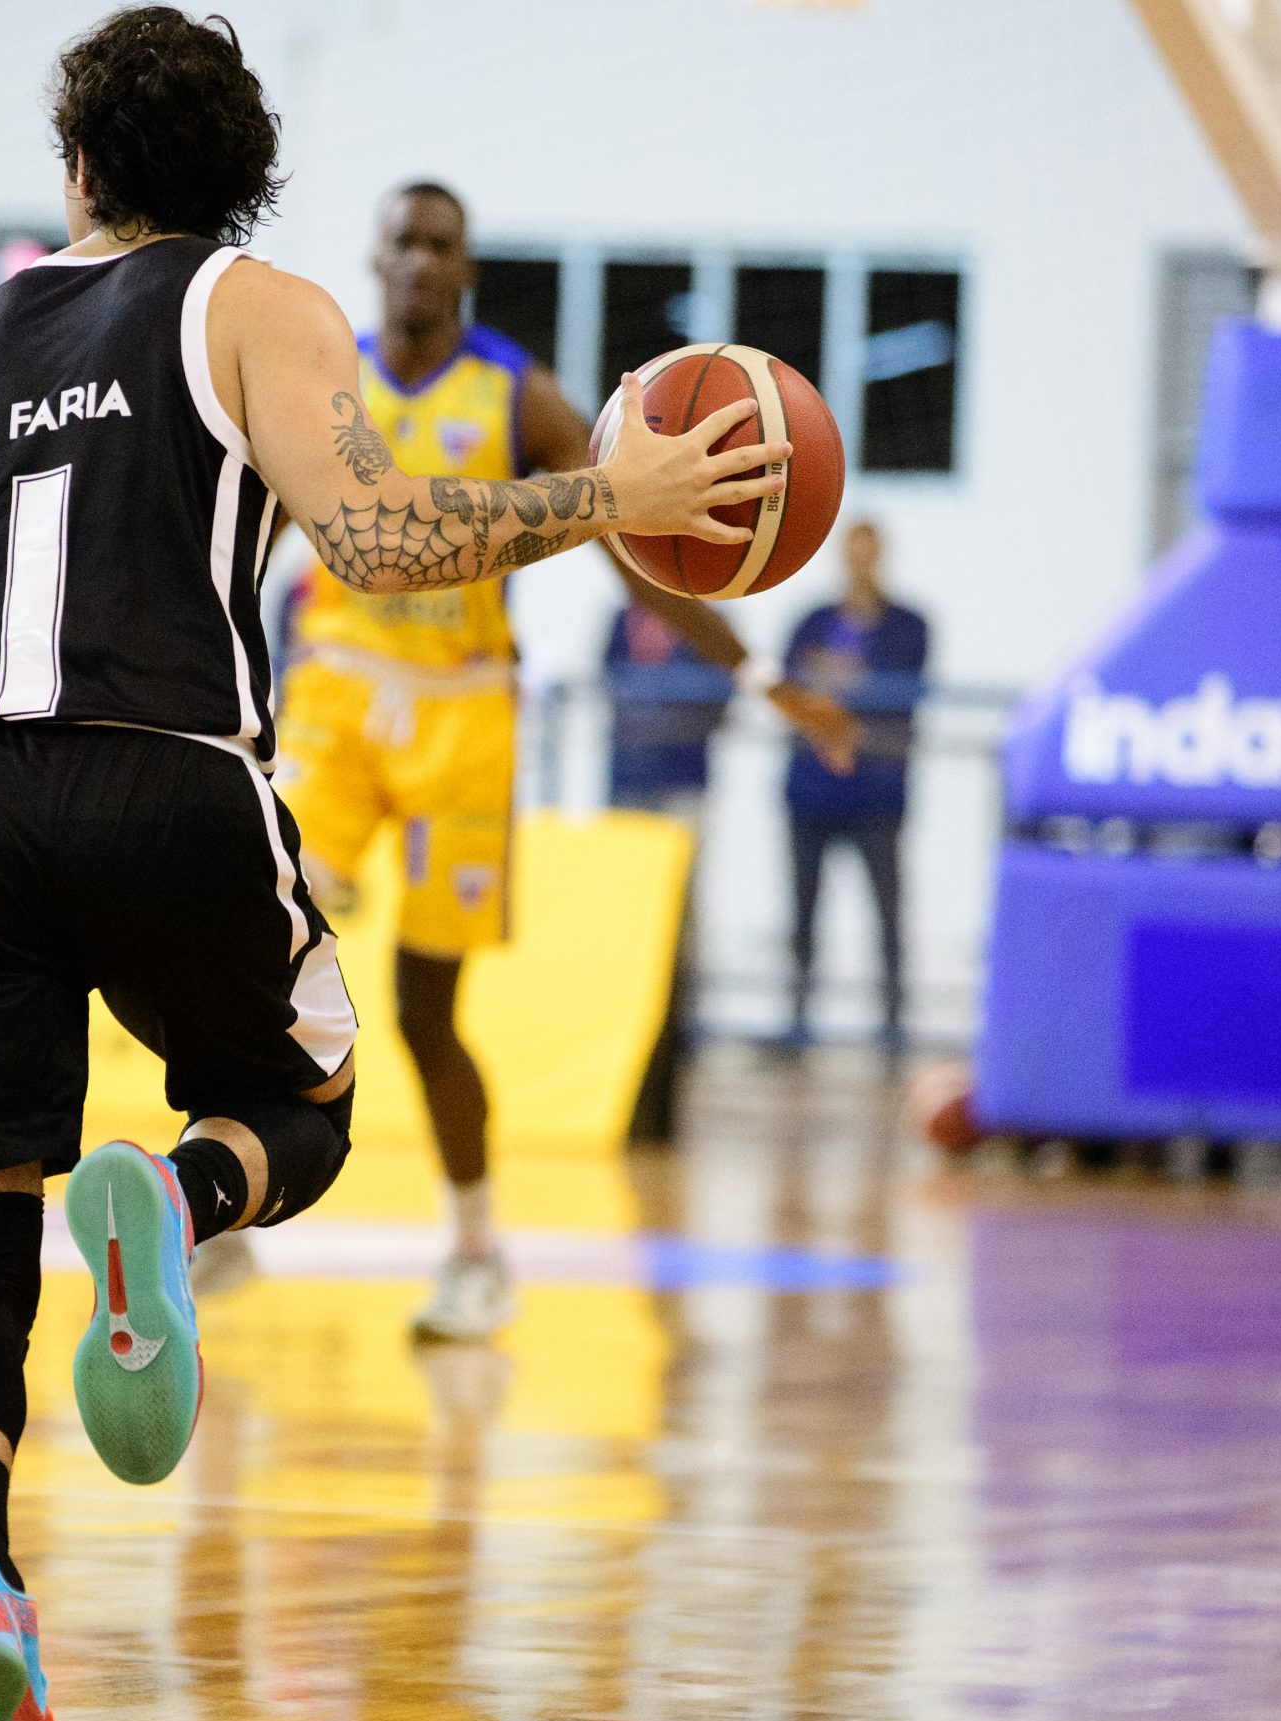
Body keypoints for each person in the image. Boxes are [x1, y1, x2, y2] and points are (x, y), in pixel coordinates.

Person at [0, 7, 790, 1721]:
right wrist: (613, 492)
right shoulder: (255, 304)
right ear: (246, 181)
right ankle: (178, 1202)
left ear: (78, 169)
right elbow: (378, 540)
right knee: (306, 1094)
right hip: (166, 778)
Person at [243, 180, 856, 1339]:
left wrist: (757, 674)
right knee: (255, 928)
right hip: (334, 696)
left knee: (426, 1013)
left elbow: (634, 549)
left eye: (441, 244)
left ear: (465, 268)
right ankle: (229, 1194)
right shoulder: (331, 384)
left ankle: (476, 1252)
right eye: (403, 241)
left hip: (466, 714)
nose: (420, 261)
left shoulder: (516, 393)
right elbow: (252, 535)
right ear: (376, 258)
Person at [780, 519, 929, 1051]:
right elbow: (790, 688)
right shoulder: (812, 620)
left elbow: (898, 693)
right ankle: (797, 1022)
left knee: (887, 913)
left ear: (880, 556)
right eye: (852, 552)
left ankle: (892, 1026)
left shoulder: (909, 626)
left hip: (876, 794)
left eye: (869, 552)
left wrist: (833, 684)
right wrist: (834, 702)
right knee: (803, 913)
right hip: (812, 791)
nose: (860, 562)